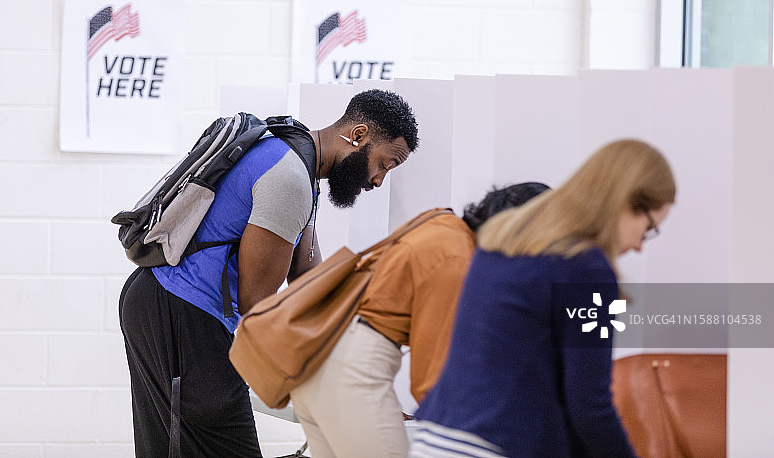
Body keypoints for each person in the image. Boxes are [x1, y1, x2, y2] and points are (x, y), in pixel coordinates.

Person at [118, 89, 419, 458]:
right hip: (180, 314)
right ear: (358, 136)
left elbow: (310, 280)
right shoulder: (290, 178)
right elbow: (258, 306)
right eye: (384, 164)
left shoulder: (297, 165)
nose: (377, 181)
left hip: (167, 306)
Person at [411, 139, 676, 458]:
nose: (639, 246)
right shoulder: (588, 269)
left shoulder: (503, 240)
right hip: (494, 447)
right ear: (627, 202)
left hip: (434, 438)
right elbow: (590, 408)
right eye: (648, 230)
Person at [289, 182, 550, 458]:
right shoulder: (456, 258)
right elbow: (430, 377)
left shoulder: (442, 223)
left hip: (323, 365)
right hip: (352, 375)